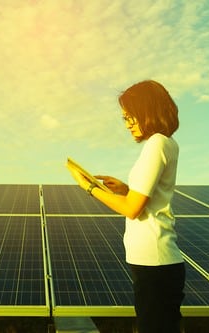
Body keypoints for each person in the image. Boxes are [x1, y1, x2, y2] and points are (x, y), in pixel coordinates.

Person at [68, 80, 185, 333]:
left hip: (155, 263)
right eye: (125, 119)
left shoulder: (157, 144)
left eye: (132, 117)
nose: (128, 125)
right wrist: (124, 189)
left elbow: (133, 209)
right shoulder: (166, 143)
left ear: (149, 111)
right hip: (156, 263)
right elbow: (148, 198)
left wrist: (90, 188)